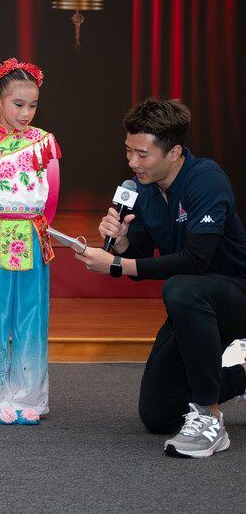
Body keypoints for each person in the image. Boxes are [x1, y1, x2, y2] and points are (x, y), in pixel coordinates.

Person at [74, 97, 246, 458]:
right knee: (158, 413)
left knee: (181, 287)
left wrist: (116, 266)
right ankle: (241, 375)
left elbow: (195, 262)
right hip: (193, 306)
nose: (132, 162)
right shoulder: (142, 191)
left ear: (174, 153)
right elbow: (141, 259)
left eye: (142, 154)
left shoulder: (206, 179)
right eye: (128, 151)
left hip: (235, 295)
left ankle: (210, 420)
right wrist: (120, 247)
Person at [0, 58, 61, 425]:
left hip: (33, 237)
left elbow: (50, 200)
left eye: (33, 105)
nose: (26, 112)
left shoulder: (46, 142)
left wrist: (31, 228)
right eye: (18, 104)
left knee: (32, 317)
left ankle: (29, 398)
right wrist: (0, 225)